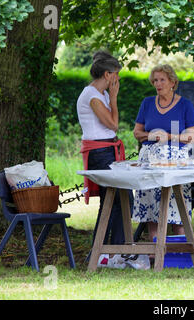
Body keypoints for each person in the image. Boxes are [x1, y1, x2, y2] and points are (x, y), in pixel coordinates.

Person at [77, 50, 133, 268]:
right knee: (115, 199)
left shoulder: (98, 95)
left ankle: (107, 252)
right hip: (100, 153)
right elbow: (112, 124)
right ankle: (106, 252)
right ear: (108, 75)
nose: (118, 78)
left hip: (107, 151)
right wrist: (114, 98)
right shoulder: (92, 96)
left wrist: (110, 97)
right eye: (116, 74)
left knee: (119, 199)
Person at [132, 64, 194, 243]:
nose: (158, 84)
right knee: (151, 206)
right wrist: (150, 135)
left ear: (172, 82)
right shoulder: (147, 103)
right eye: (155, 80)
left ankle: (181, 251)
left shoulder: (185, 104)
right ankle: (155, 250)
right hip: (149, 159)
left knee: (177, 205)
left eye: (162, 79)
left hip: (175, 161)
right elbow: (137, 133)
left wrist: (168, 136)